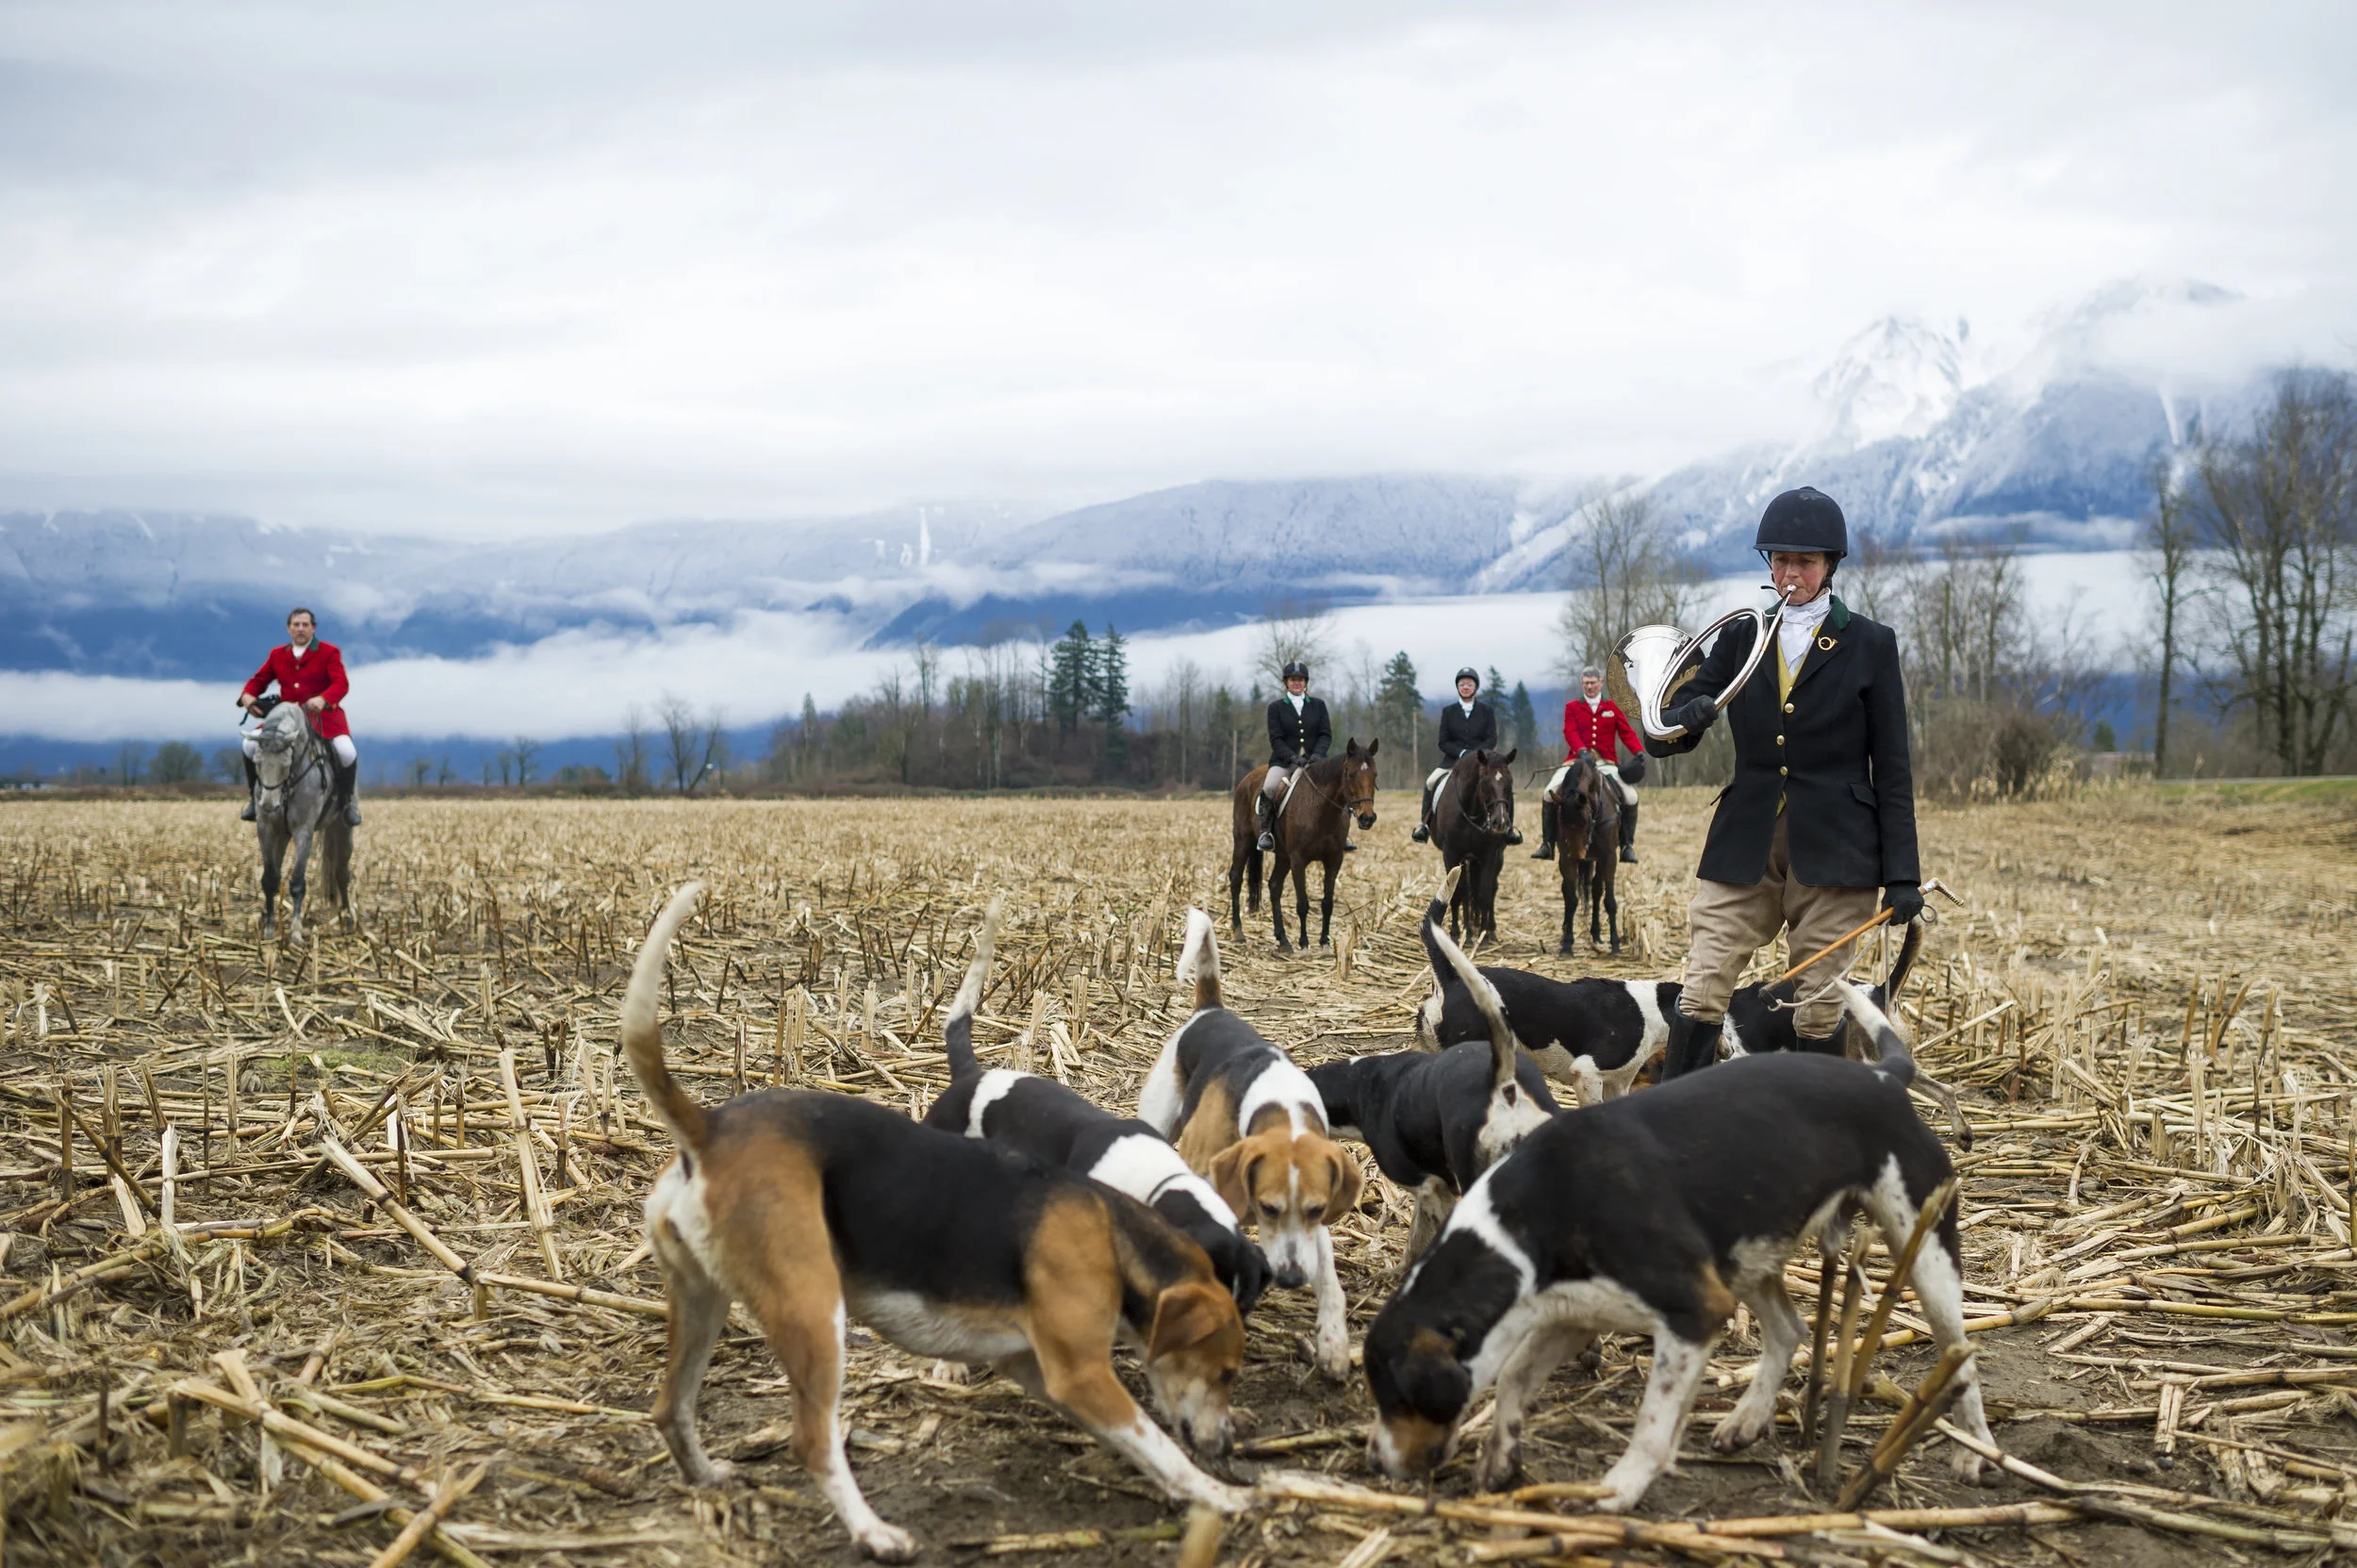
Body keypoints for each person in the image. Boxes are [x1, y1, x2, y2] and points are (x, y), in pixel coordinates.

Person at [1645, 487, 1921, 1077]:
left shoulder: (1872, 644)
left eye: (1806, 560)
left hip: (1839, 846)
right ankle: (1672, 1127)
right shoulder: (1742, 636)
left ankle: (1813, 1139)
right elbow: (1670, 720)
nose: (1791, 571)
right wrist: (1684, 715)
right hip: (1745, 836)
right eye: (1780, 559)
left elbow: (1893, 769)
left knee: (1819, 1006)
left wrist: (1903, 876)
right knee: (1703, 983)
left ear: (1830, 566)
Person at [238, 606, 363, 827]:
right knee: (249, 745)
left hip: (324, 720)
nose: (301, 629)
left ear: (313, 628)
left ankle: (348, 803)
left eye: (305, 625)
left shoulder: (329, 652)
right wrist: (247, 696)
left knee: (347, 751)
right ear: (288, 629)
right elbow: (258, 680)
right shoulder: (277, 654)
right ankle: (253, 800)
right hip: (286, 719)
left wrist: (323, 699)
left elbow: (341, 684)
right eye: (296, 625)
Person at [1533, 667, 1643, 863]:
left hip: (1605, 763)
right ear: (1582, 684)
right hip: (1576, 762)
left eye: (1593, 683)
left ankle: (1627, 845)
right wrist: (1582, 751)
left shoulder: (1613, 707)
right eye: (1586, 683)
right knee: (1548, 793)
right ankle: (1547, 844)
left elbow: (1627, 733)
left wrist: (1639, 752)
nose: (1590, 686)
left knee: (1631, 796)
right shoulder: (1572, 707)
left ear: (1601, 683)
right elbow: (1570, 731)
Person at [1411, 668, 1520, 844]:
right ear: (1458, 687)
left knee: (1502, 783)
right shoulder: (1448, 712)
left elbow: (1491, 739)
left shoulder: (1487, 711)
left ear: (1476, 687)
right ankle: (1424, 825)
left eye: (1469, 684)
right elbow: (1443, 742)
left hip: (1483, 762)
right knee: (1430, 782)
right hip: (1452, 762)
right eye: (1462, 684)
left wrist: (1475, 755)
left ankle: (1509, 828)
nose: (1466, 687)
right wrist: (1462, 753)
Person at [1257, 660, 1332, 852]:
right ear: (1286, 682)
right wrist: (1292, 757)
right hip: (1285, 762)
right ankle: (1266, 832)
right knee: (1270, 786)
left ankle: (1342, 833)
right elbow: (1276, 739)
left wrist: (1318, 754)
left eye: (1300, 679)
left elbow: (1325, 734)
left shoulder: (1318, 705)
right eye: (1293, 680)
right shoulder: (1276, 707)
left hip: (1315, 762)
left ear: (1305, 682)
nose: (1297, 683)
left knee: (1339, 785)